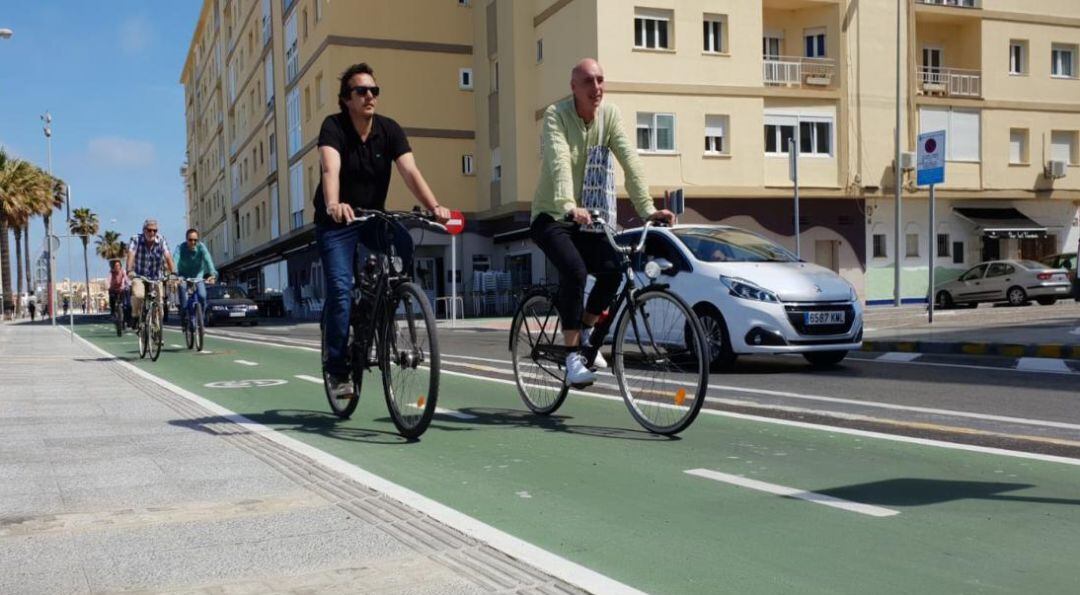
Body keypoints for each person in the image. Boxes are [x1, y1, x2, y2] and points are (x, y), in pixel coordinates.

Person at [531, 58, 675, 386]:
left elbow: (629, 159)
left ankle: (583, 330)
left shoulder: (609, 115)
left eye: (600, 80)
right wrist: (569, 204)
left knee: (613, 269)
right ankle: (571, 360)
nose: (596, 88)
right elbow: (559, 159)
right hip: (552, 215)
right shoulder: (557, 115)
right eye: (588, 82)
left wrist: (647, 209)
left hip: (585, 218)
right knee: (576, 271)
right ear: (573, 88)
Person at [315, 62, 451, 398]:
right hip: (337, 222)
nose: (369, 96)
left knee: (403, 244)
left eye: (374, 90)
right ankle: (338, 371)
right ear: (346, 99)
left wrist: (434, 207)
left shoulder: (389, 130)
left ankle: (386, 305)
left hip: (373, 216)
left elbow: (410, 172)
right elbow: (329, 168)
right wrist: (334, 204)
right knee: (341, 290)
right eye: (361, 91)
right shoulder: (334, 127)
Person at [126, 219, 176, 327]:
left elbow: (168, 256)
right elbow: (131, 254)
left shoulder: (161, 240)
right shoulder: (136, 239)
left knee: (160, 308)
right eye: (149, 230)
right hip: (139, 275)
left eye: (155, 230)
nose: (152, 233)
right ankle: (135, 315)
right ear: (144, 230)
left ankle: (155, 331)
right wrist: (129, 270)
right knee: (138, 295)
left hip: (156, 277)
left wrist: (173, 273)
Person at [173, 228, 217, 326]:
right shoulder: (180, 248)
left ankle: (201, 316)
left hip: (198, 276)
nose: (193, 242)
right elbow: (175, 260)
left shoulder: (202, 248)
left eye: (195, 240)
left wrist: (212, 275)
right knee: (183, 290)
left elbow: (208, 261)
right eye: (190, 240)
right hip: (183, 277)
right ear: (186, 239)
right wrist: (174, 275)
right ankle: (184, 315)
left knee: (202, 295)